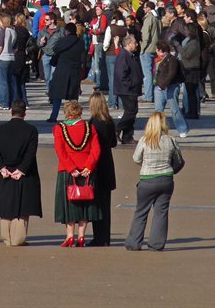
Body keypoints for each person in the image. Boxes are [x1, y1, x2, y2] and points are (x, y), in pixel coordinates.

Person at [124, 112, 182, 251]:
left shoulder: (145, 140)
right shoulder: (170, 140)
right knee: (161, 212)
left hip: (147, 179)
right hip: (166, 178)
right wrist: (171, 169)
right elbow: (179, 161)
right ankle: (156, 244)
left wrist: (146, 165)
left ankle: (134, 242)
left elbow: (136, 158)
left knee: (141, 211)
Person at [0, 99, 42, 247]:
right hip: (24, 172)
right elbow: (30, 154)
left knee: (6, 207)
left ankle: (7, 238)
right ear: (24, 113)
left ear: (11, 111)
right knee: (22, 207)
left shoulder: (0, 130)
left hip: (5, 171)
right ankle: (18, 239)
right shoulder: (31, 130)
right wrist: (22, 169)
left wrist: (1, 168)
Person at [53, 100, 101, 247]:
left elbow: (60, 151)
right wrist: (89, 166)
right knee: (85, 204)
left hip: (67, 171)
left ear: (66, 113)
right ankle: (81, 236)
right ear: (80, 112)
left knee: (69, 204)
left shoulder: (59, 128)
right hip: (86, 171)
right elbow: (96, 149)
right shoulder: (89, 127)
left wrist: (71, 167)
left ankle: (69, 236)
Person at [88, 91, 117, 246]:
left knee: (97, 204)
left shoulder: (92, 123)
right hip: (108, 163)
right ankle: (105, 237)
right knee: (106, 204)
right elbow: (113, 143)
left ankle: (98, 237)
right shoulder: (109, 121)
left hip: (96, 165)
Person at [153, 40, 189, 138]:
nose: (156, 51)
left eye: (157, 49)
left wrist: (163, 85)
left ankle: (183, 129)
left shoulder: (172, 60)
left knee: (174, 109)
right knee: (158, 110)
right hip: (158, 87)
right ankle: (157, 129)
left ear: (161, 50)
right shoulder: (158, 60)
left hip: (170, 87)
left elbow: (171, 74)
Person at [114, 35, 143, 144]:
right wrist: (131, 83)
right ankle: (117, 129)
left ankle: (127, 137)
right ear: (128, 44)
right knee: (131, 111)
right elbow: (121, 74)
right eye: (134, 43)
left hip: (132, 88)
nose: (136, 45)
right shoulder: (123, 55)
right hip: (127, 89)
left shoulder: (130, 55)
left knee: (131, 111)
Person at [0, 13, 17, 110]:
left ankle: (4, 103)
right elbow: (16, 47)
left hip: (3, 57)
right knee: (9, 81)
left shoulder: (3, 31)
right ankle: (10, 102)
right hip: (11, 57)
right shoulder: (13, 31)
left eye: (0, 21)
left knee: (3, 82)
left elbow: (0, 45)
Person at [139, 2, 161, 102]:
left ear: (148, 8)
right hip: (154, 47)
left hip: (147, 48)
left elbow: (145, 35)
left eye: (144, 7)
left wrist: (142, 48)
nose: (143, 9)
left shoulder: (149, 18)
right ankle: (151, 94)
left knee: (147, 74)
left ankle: (148, 95)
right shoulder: (157, 18)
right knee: (151, 73)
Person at [37, 12, 62, 94]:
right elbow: (38, 44)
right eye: (45, 20)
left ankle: (53, 93)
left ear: (52, 20)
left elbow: (64, 42)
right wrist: (41, 42)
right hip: (46, 56)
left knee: (53, 76)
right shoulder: (43, 31)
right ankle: (50, 91)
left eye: (47, 20)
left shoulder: (60, 31)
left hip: (56, 56)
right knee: (47, 77)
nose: (45, 21)